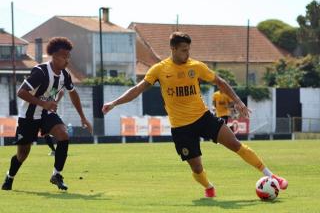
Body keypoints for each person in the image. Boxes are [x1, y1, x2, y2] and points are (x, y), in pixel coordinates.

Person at [102, 31, 288, 198]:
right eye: (183, 50)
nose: (187, 54)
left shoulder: (196, 66)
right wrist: (114, 103)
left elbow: (220, 82)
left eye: (188, 49)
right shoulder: (159, 69)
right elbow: (137, 89)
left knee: (235, 144)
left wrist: (238, 101)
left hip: (203, 118)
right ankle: (208, 186)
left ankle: (272, 176)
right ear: (173, 49)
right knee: (197, 168)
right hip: (181, 128)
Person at [1, 37, 93, 191]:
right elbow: (21, 92)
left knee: (63, 135)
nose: (67, 60)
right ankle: (10, 176)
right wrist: (44, 103)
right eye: (65, 57)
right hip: (29, 116)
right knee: (22, 154)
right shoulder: (40, 72)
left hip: (46, 113)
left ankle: (56, 175)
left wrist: (83, 117)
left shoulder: (65, 75)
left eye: (69, 56)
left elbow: (73, 93)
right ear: (55, 56)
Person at [43, 89, 64, 156]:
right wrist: (56, 102)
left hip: (46, 114)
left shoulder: (49, 90)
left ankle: (55, 151)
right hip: (49, 113)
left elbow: (61, 91)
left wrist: (55, 102)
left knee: (46, 134)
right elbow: (61, 91)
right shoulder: (51, 90)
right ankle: (57, 150)